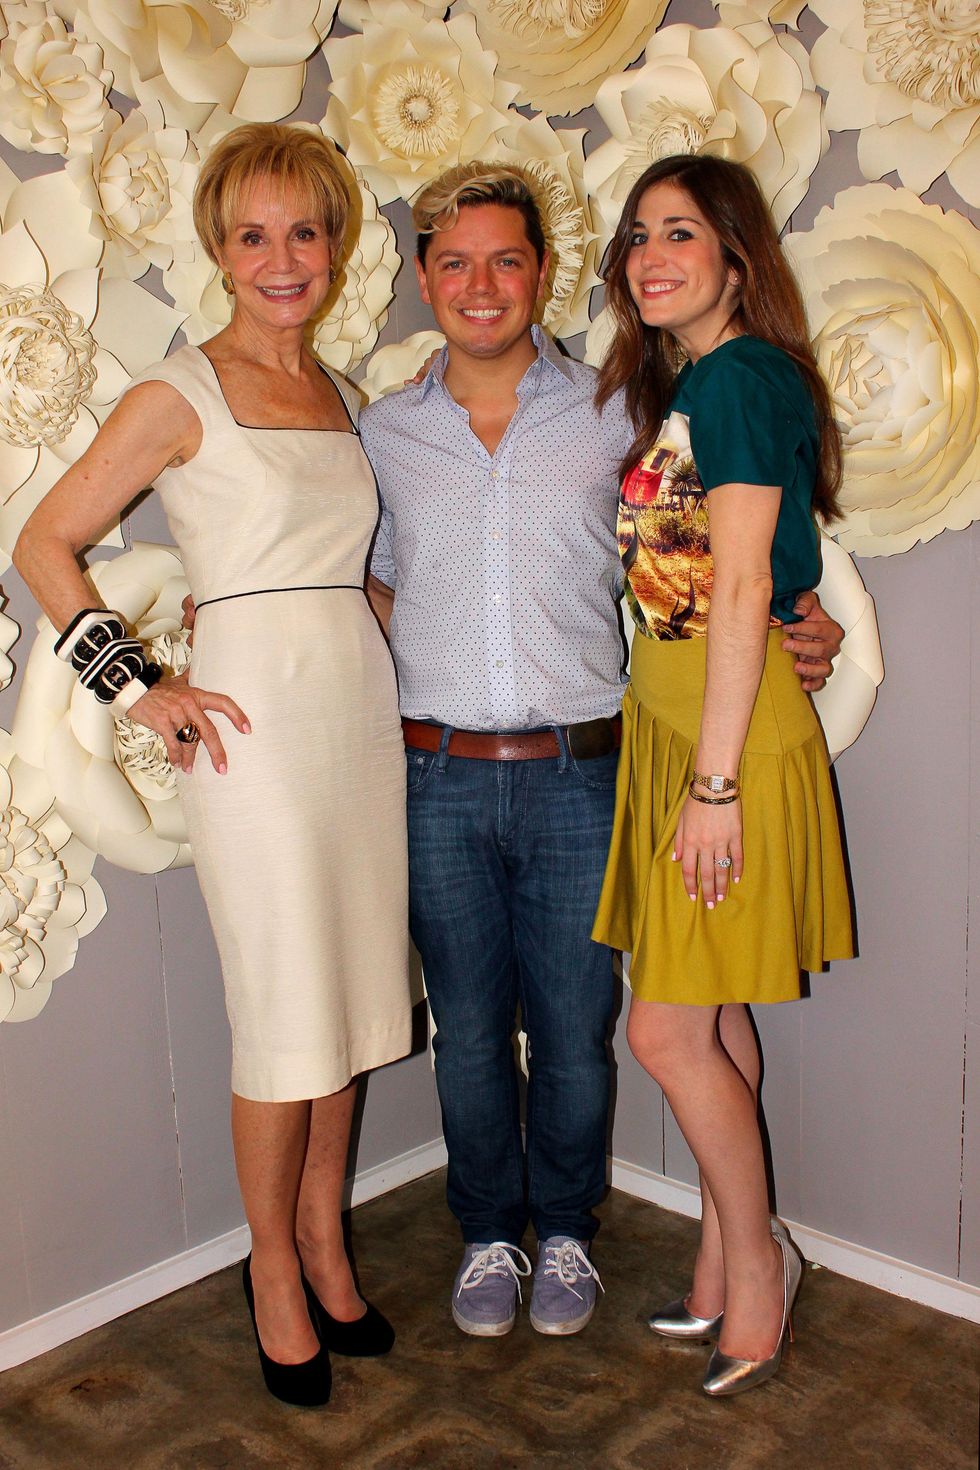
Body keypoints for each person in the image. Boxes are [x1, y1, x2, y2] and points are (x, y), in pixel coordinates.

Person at [360, 162, 844, 1340]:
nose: (481, 283)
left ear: (541, 275)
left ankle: (574, 1235)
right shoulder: (375, 430)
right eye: (455, 261)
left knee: (592, 1027)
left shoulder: (617, 409)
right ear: (424, 279)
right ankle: (494, 1236)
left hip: (595, 764)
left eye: (507, 258)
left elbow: (737, 554)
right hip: (438, 769)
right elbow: (362, 584)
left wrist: (803, 623)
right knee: (471, 1028)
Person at [13, 123, 412, 1407]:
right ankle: (272, 1273)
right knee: (281, 1013)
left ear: (336, 243)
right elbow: (44, 543)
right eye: (253, 235)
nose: (281, 259)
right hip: (255, 739)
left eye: (304, 231)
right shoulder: (175, 391)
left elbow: (352, 570)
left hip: (354, 719)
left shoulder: (342, 395)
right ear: (217, 252)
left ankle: (323, 1240)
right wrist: (139, 687)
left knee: (351, 1003)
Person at [590, 153, 854, 1396]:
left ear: (736, 255)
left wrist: (712, 786)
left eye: (679, 232)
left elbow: (745, 584)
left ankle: (758, 1271)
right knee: (711, 1009)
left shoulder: (740, 377)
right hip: (678, 720)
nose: (649, 254)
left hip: (720, 740)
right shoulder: (699, 384)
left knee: (662, 1028)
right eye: (636, 234)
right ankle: (719, 1256)